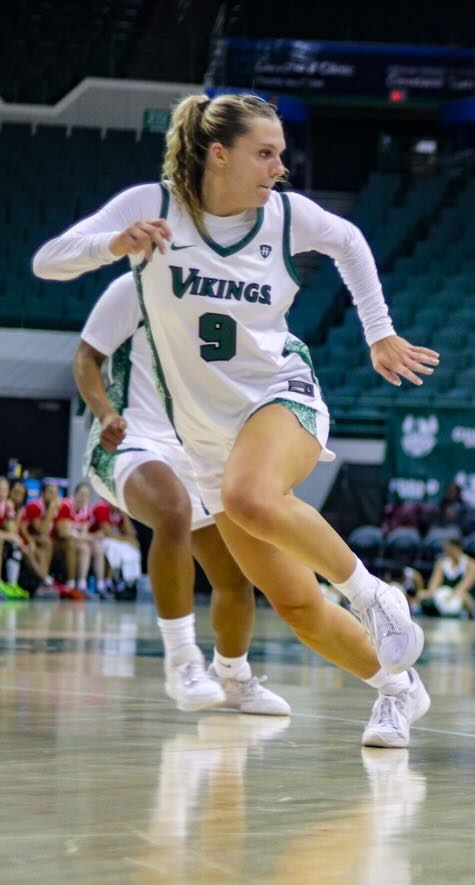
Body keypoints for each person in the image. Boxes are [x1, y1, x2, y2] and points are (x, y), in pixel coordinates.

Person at [32, 92, 439, 747]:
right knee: (296, 602)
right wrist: (113, 243)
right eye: (266, 154)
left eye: (281, 153)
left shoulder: (284, 217)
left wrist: (379, 331)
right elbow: (49, 260)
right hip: (206, 437)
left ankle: (375, 596)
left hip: (281, 392)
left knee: (251, 495)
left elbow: (349, 240)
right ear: (218, 154)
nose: (280, 167)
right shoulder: (153, 206)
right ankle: (399, 690)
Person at [71, 272, 289, 713]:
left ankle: (232, 677)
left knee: (236, 576)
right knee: (174, 509)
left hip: (196, 450)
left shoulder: (233, 295)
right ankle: (182, 662)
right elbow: (85, 358)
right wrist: (104, 413)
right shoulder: (135, 285)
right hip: (131, 437)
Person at [19, 481, 74, 597]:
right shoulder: (34, 506)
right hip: (33, 540)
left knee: (69, 544)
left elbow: (62, 531)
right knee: (44, 545)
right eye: (50, 492)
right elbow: (41, 530)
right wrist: (51, 511)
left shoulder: (62, 507)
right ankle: (45, 582)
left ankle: (72, 584)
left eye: (56, 493)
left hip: (48, 542)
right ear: (43, 493)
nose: (54, 496)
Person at [416, 533, 475, 618]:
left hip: (460, 595)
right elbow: (433, 585)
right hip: (444, 595)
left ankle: (469, 615)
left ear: (457, 547)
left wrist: (451, 597)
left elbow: (463, 587)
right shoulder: (441, 563)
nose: (446, 550)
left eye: (449, 547)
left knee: (466, 598)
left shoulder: (471, 565)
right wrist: (432, 595)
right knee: (421, 595)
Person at [93, 498, 142, 591]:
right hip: (97, 538)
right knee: (115, 548)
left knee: (132, 548)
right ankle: (108, 580)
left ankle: (128, 581)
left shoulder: (118, 512)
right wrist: (126, 539)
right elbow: (107, 533)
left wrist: (125, 516)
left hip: (113, 539)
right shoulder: (102, 507)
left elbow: (131, 533)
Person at [65, 482, 104, 597]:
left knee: (98, 549)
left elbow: (83, 534)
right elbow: (65, 533)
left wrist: (90, 537)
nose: (84, 498)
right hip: (62, 541)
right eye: (81, 494)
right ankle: (79, 585)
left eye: (87, 496)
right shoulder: (66, 506)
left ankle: (101, 586)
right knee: (85, 548)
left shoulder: (86, 510)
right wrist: (93, 536)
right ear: (75, 494)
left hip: (76, 540)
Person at [0, 477, 29, 598]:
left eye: (4, 490)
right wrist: (9, 536)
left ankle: (12, 584)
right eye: (0, 489)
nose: (2, 493)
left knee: (16, 544)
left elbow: (12, 530)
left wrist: (12, 512)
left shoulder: (5, 506)